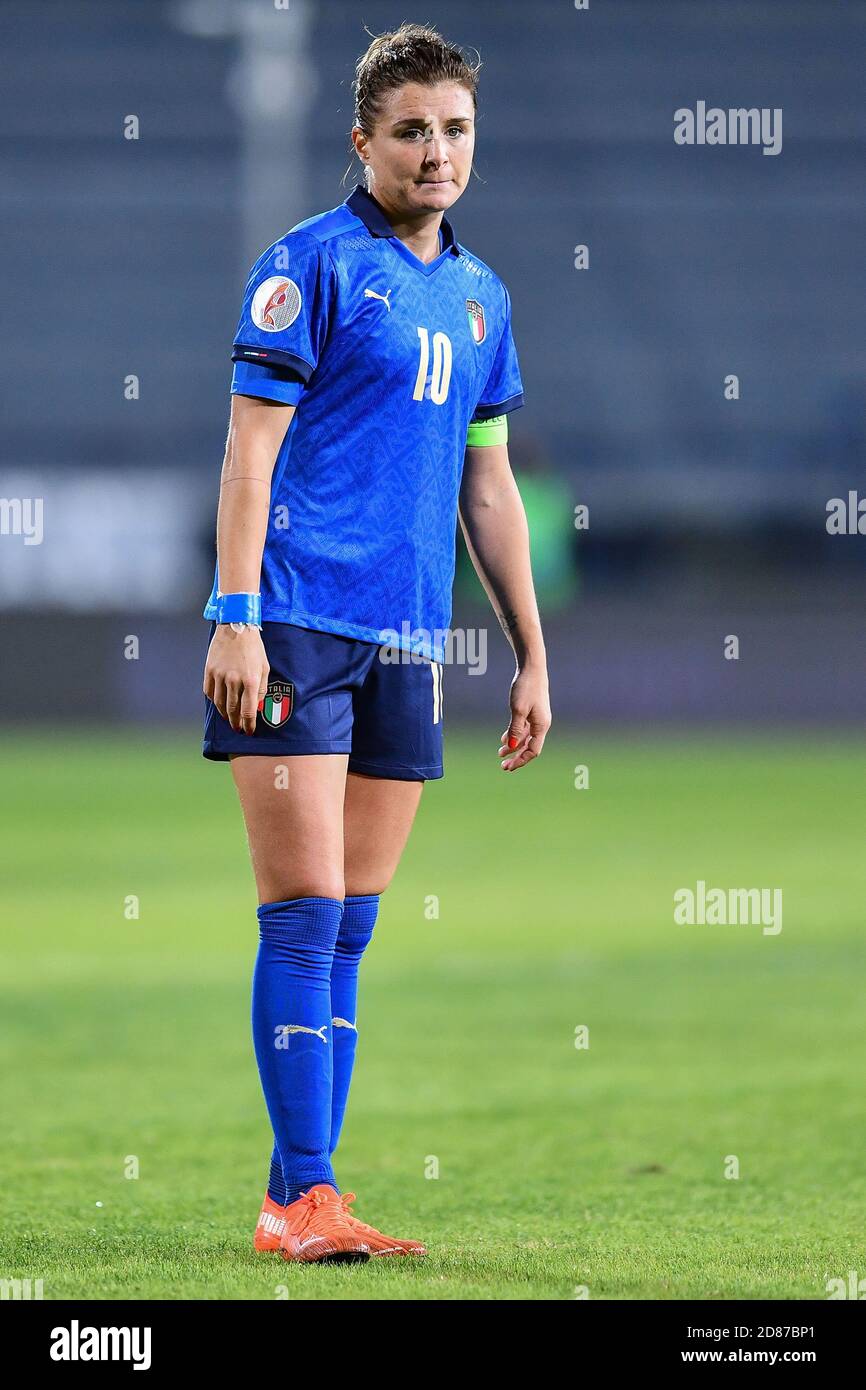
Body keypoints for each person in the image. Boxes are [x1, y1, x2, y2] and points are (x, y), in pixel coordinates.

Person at [202, 22, 551, 1264]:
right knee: (298, 916)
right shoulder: (305, 266)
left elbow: (490, 488)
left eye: (454, 128)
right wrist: (234, 617)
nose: (435, 150)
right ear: (363, 140)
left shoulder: (480, 295)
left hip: (410, 640)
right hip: (296, 622)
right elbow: (248, 457)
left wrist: (529, 649)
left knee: (350, 926)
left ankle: (301, 1191)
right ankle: (302, 1195)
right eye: (410, 129)